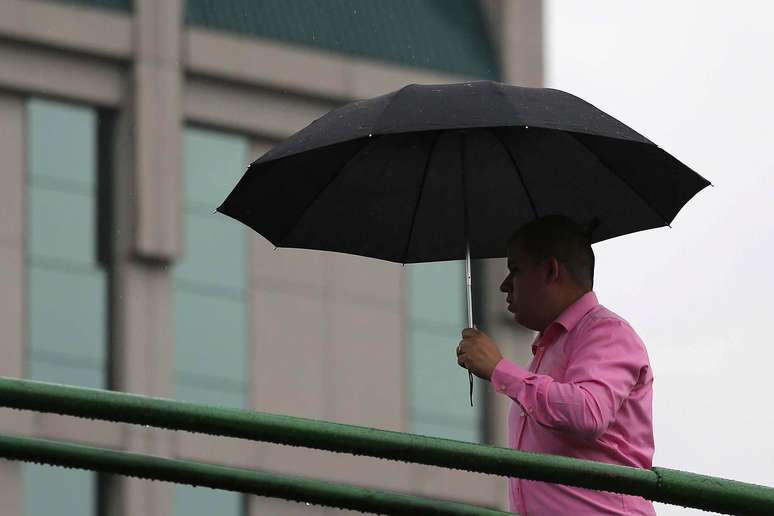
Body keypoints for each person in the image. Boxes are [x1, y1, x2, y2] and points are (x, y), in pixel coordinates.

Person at [456, 214, 656, 516]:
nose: (504, 285)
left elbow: (588, 412)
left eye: (515, 270)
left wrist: (498, 368)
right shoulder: (550, 346)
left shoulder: (607, 331)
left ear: (550, 271)